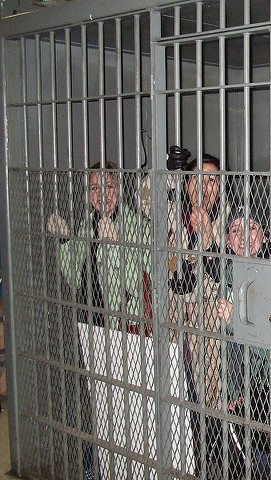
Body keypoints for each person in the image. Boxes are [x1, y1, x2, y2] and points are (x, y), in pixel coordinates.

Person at [47, 161, 151, 479]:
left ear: (119, 189)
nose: (101, 194)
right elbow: (74, 276)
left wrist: (115, 246)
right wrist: (65, 241)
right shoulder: (88, 223)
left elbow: (139, 286)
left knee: (127, 404)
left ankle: (118, 468)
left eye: (107, 186)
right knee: (101, 402)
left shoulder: (137, 226)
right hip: (92, 327)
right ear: (87, 194)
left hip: (125, 328)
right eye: (94, 188)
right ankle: (101, 468)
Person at [216, 205, 271, 480]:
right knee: (252, 463)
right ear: (226, 240)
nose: (243, 235)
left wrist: (236, 321)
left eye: (252, 227)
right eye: (235, 229)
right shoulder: (229, 273)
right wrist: (232, 389)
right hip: (245, 388)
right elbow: (227, 343)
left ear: (265, 236)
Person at [166, 152, 227, 476]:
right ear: (187, 183)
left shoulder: (230, 219)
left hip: (211, 323)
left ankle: (210, 462)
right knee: (177, 392)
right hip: (175, 321)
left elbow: (224, 271)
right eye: (197, 178)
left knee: (211, 399)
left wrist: (207, 239)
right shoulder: (171, 214)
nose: (204, 186)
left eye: (213, 180)